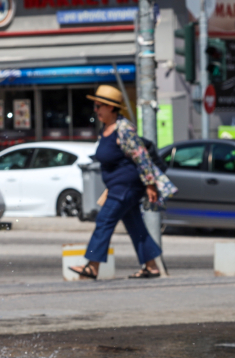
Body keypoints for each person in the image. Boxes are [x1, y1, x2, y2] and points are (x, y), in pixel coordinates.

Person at [69, 85, 177, 280]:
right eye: (95, 105)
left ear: (111, 107)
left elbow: (141, 157)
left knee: (104, 220)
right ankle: (151, 266)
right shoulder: (106, 129)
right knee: (135, 225)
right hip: (118, 185)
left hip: (126, 186)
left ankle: (92, 267)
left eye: (99, 105)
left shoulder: (123, 128)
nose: (96, 110)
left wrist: (150, 184)